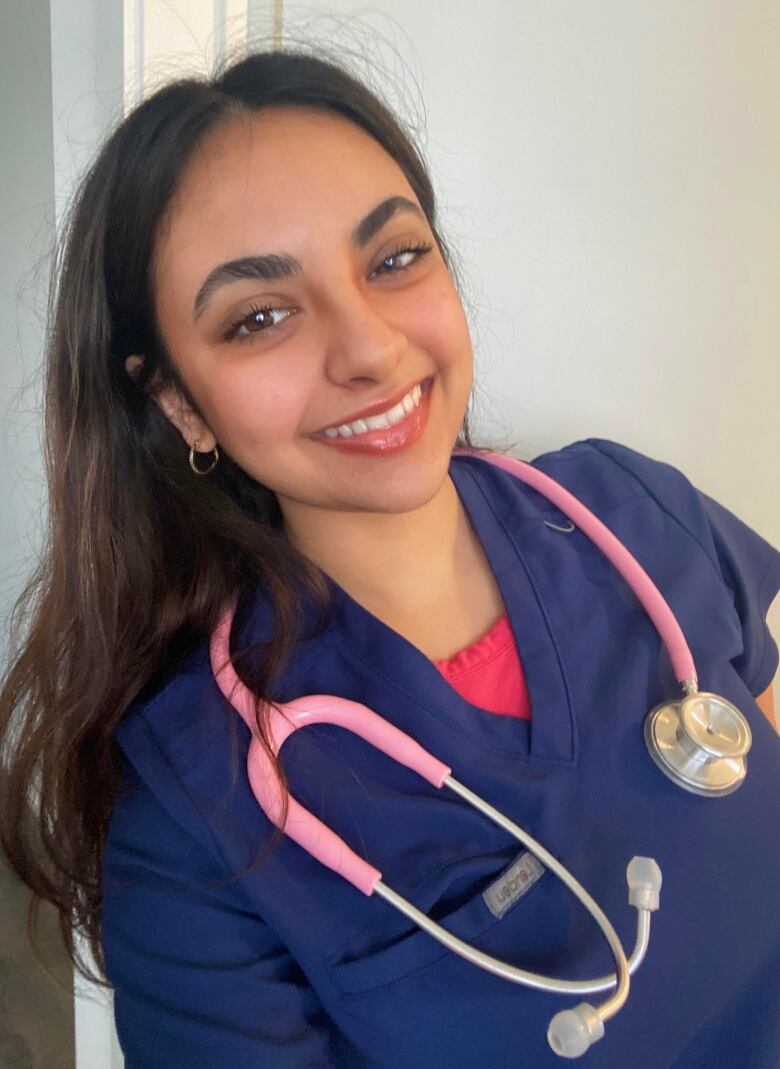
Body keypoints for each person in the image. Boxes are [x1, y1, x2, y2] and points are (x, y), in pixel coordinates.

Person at [1, 46, 779, 1069]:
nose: (367, 346)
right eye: (260, 316)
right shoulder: (197, 826)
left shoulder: (635, 514)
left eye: (395, 258)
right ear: (179, 402)